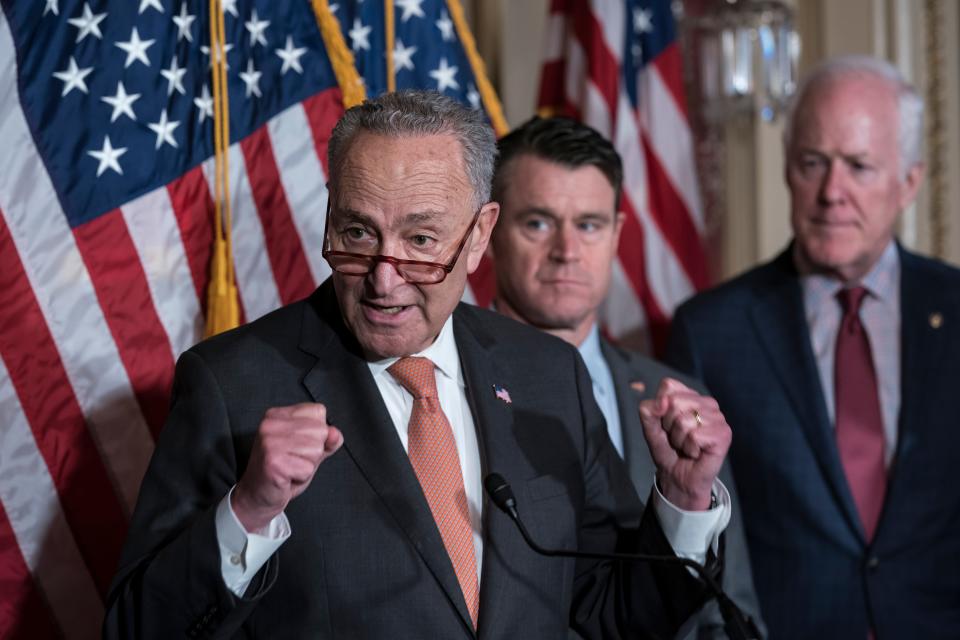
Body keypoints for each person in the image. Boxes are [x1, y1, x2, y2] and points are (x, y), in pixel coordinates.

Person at [103, 91, 736, 639]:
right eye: (357, 233)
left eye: (422, 241)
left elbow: (620, 617)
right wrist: (248, 512)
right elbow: (136, 629)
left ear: (480, 234)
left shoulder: (549, 375)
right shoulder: (232, 384)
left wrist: (684, 500)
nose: (384, 278)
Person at [666, 56, 960, 639]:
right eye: (812, 163)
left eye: (859, 166)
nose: (832, 192)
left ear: (909, 182)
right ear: (786, 171)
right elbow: (702, 534)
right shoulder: (712, 329)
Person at [487, 116, 765, 639]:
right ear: (490, 230)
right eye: (538, 223)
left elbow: (730, 606)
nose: (567, 251)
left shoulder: (683, 397)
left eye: (589, 224)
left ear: (616, 234)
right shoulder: (444, 384)